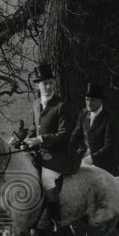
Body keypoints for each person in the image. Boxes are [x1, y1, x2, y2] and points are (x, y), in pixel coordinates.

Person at [23, 63, 80, 225]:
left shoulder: (62, 105)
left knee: (47, 179)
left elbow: (64, 135)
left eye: (50, 83)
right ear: (37, 85)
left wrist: (40, 139)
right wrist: (26, 141)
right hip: (40, 154)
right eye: (44, 84)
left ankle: (55, 220)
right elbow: (34, 129)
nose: (48, 87)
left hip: (58, 156)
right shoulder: (35, 105)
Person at [69, 82, 119, 174]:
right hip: (84, 155)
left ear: (100, 101)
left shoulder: (109, 119)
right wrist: (67, 149)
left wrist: (91, 158)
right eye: (87, 99)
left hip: (103, 162)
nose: (88, 103)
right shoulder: (83, 113)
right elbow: (75, 135)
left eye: (92, 100)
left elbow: (109, 147)